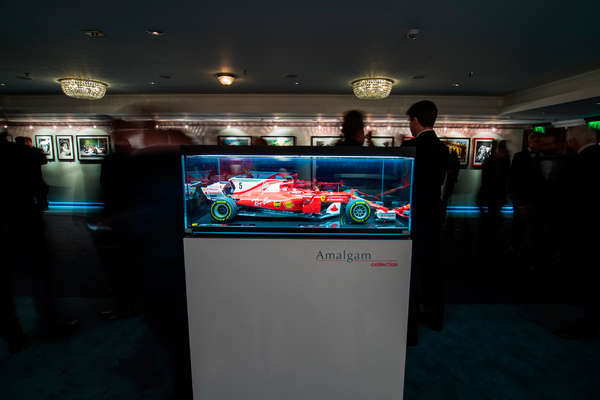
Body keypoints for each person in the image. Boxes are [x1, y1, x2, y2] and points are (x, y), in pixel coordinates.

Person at [401, 100, 448, 346]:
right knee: (433, 267)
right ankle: (435, 317)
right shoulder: (443, 148)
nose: (410, 125)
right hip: (435, 215)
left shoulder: (411, 147)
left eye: (410, 120)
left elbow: (405, 184)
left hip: (415, 216)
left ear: (416, 120)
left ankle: (410, 328)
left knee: (414, 271)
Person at [554, 125, 599, 339]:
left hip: (584, 229)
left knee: (586, 276)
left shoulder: (578, 162)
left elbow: (569, 199)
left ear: (572, 142)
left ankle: (588, 322)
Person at [477, 140, 510, 252]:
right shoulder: (502, 162)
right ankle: (490, 242)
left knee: (491, 218)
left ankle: (487, 242)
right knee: (493, 218)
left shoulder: (492, 161)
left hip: (493, 195)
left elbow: (486, 179)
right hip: (495, 195)